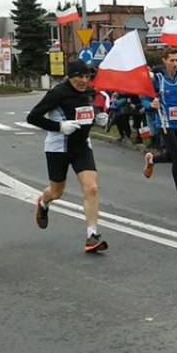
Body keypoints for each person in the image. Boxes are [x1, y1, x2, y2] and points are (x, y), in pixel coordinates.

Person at [26, 60, 108, 253]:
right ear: (70, 76)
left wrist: (98, 120)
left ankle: (92, 235)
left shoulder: (89, 92)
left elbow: (86, 115)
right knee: (56, 192)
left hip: (82, 146)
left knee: (92, 189)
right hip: (58, 147)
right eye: (79, 76)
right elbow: (33, 117)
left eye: (87, 77)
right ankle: (43, 202)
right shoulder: (58, 93)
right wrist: (60, 127)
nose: (83, 80)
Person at [142, 50, 177, 209]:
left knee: (171, 155)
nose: (175, 64)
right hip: (163, 121)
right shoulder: (157, 79)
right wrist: (151, 104)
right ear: (164, 60)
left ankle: (152, 160)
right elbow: (145, 99)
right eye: (172, 60)